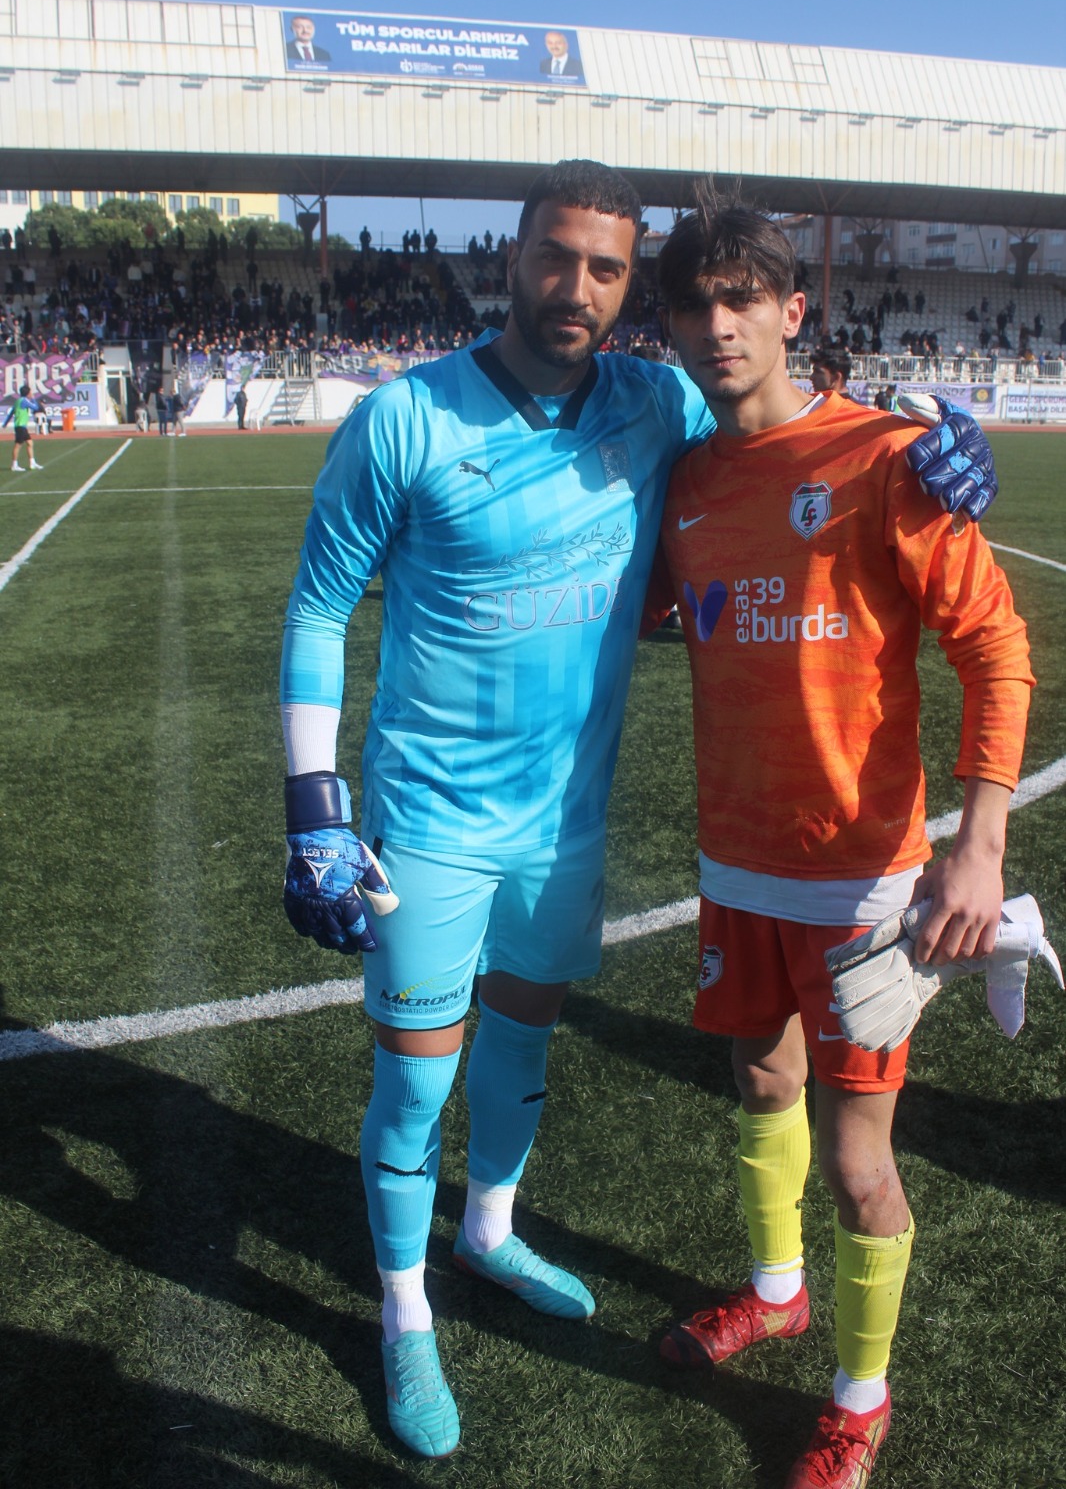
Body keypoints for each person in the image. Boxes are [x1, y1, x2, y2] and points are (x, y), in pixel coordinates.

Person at [279, 160, 996, 1463]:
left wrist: (934, 437)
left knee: (521, 1046)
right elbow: (321, 602)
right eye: (556, 257)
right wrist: (313, 803)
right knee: (415, 1083)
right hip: (431, 820)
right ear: (511, 258)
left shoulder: (654, 402)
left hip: (573, 829)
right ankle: (403, 1312)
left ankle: (489, 1231)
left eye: (605, 269)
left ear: (631, 293)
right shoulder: (407, 417)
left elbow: (795, 424)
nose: (578, 287)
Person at [647, 189, 1031, 1489]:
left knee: (861, 1160)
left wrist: (978, 845)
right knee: (760, 1085)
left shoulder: (885, 461)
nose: (717, 325)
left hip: (861, 882)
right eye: (692, 305)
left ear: (791, 310)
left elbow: (994, 649)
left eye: (740, 298)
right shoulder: (689, 481)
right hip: (732, 862)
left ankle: (857, 1404)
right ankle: (776, 1293)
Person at [4, 384, 44, 470]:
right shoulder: (24, 401)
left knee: (30, 443)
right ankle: (14, 465)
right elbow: (36, 407)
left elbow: (11, 413)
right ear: (28, 393)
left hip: (22, 426)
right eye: (30, 392)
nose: (31, 394)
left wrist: (5, 423)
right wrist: (33, 398)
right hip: (20, 426)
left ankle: (32, 463)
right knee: (18, 445)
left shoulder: (17, 401)